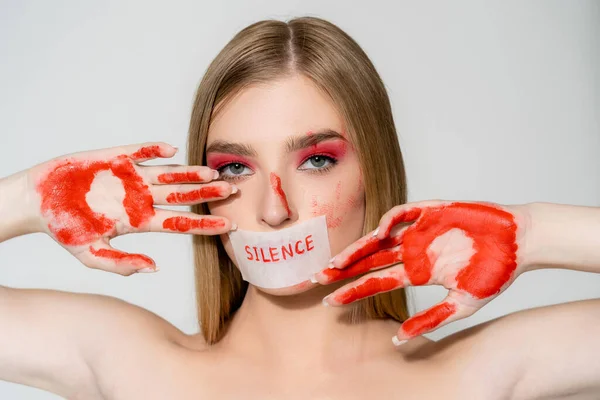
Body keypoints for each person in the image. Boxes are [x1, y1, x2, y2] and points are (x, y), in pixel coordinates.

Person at [0, 16, 599, 399]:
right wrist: (28, 197)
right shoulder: (128, 362)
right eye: (236, 167)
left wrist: (535, 233)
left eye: (316, 160)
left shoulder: (473, 375)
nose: (275, 209)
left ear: (376, 171)